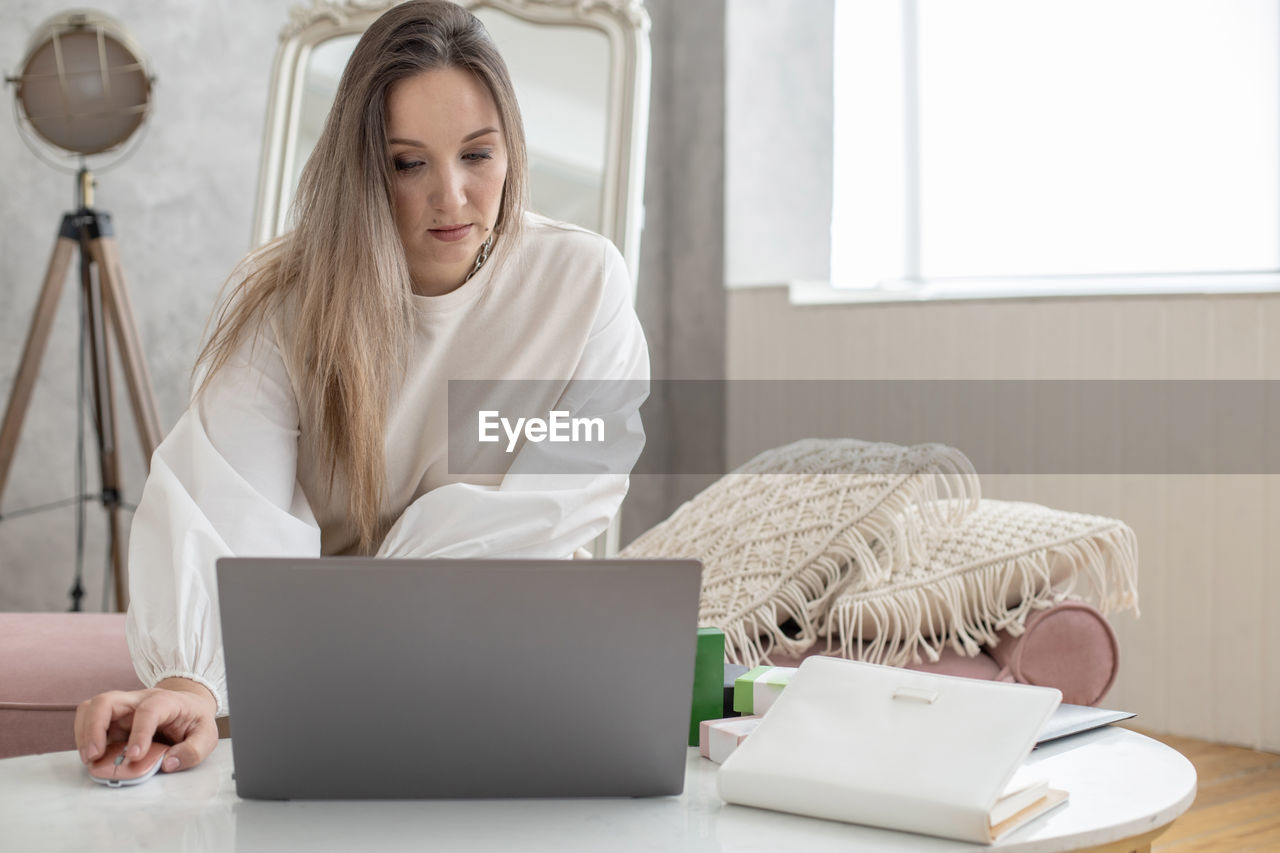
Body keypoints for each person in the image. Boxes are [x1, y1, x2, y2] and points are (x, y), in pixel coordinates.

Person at [73, 0, 648, 775]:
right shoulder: (286, 303)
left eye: (478, 154)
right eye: (409, 163)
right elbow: (223, 499)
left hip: (492, 648)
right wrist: (193, 679)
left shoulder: (584, 283)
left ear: (512, 146)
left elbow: (553, 506)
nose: (451, 197)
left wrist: (344, 622)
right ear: (364, 167)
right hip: (317, 672)